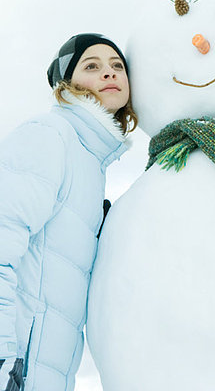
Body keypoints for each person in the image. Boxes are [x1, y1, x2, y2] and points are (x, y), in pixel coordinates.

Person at [0, 33, 137, 391]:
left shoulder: (93, 167)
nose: (109, 73)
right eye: (92, 66)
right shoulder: (49, 135)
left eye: (117, 66)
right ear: (67, 83)